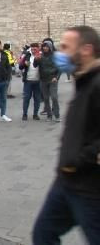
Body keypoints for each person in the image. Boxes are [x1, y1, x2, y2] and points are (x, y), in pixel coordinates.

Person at [32, 26, 100, 244]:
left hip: (89, 188)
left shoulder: (97, 84)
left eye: (65, 47)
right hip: (65, 182)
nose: (59, 53)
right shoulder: (83, 80)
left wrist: (79, 159)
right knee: (43, 234)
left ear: (86, 50)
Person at [35, 41, 61, 122]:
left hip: (53, 79)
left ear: (50, 47)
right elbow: (35, 65)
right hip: (43, 79)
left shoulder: (55, 56)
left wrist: (56, 77)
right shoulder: (41, 56)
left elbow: (59, 68)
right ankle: (49, 115)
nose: (45, 48)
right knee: (46, 98)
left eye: (46, 46)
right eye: (43, 46)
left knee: (54, 97)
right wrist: (36, 60)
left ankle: (57, 115)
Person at [19, 43, 42, 121]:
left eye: (35, 49)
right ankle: (24, 114)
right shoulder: (27, 56)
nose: (33, 51)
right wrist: (24, 64)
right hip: (28, 81)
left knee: (37, 99)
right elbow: (20, 66)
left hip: (38, 81)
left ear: (38, 49)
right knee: (26, 98)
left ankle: (35, 114)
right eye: (32, 49)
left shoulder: (40, 56)